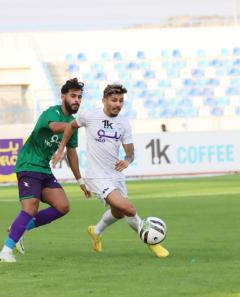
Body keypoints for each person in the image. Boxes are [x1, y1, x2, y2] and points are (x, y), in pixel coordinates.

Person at [52, 84, 169, 258]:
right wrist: (61, 149)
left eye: (121, 101)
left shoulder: (124, 123)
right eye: (114, 100)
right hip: (96, 176)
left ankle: (96, 231)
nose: (118, 104)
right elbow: (70, 126)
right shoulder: (90, 116)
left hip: (115, 175)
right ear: (104, 100)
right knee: (128, 208)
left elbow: (130, 153)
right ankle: (152, 240)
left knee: (119, 212)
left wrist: (127, 160)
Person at [0, 78, 91, 263]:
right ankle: (5, 252)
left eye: (79, 97)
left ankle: (20, 227)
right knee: (30, 207)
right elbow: (55, 127)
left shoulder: (73, 123)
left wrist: (81, 181)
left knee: (63, 206)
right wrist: (77, 124)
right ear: (63, 96)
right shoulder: (52, 112)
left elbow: (72, 154)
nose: (77, 100)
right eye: (73, 96)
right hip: (29, 164)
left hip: (44, 169)